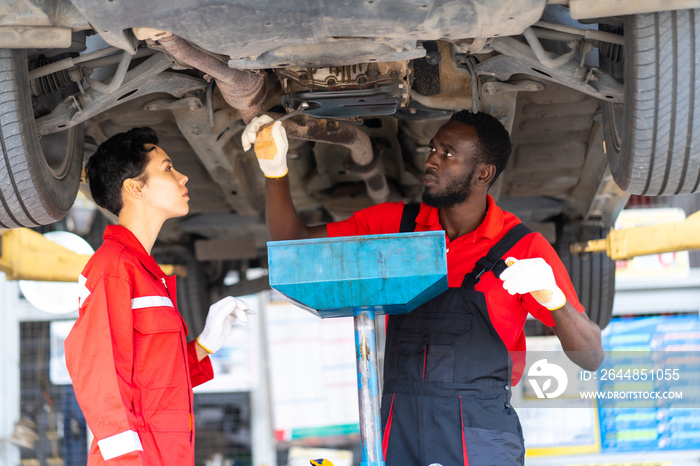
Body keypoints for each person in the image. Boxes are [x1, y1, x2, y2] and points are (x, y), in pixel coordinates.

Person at [242, 111, 604, 466]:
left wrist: (554, 300)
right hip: (400, 426)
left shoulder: (521, 248)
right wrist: (275, 170)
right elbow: (294, 244)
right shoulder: (396, 225)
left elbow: (591, 356)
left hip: (479, 432)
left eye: (448, 153)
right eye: (433, 148)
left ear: (483, 173)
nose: (431, 160)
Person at [64, 127, 253, 465]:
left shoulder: (142, 271)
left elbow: (155, 385)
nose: (183, 178)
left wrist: (202, 346)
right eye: (168, 169)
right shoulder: (113, 269)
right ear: (134, 187)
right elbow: (97, 372)